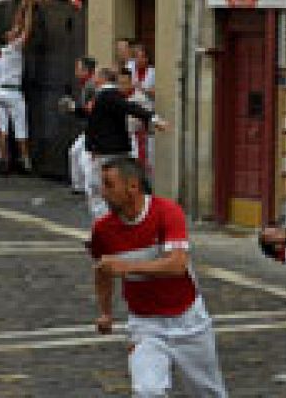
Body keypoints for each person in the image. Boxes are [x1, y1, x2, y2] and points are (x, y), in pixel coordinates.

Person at [90, 157, 227, 397]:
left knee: (208, 392)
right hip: (145, 325)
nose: (102, 192)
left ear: (132, 186)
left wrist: (127, 267)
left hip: (189, 320)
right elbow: (103, 271)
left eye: (109, 185)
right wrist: (105, 312)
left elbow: (177, 265)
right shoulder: (103, 229)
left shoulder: (167, 212)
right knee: (147, 391)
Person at [79, 67, 167, 220]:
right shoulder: (107, 96)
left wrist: (153, 118)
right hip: (112, 150)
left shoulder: (107, 95)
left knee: (98, 188)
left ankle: (105, 222)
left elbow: (129, 108)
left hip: (107, 152)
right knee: (107, 187)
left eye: (97, 76)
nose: (94, 79)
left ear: (102, 78)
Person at [0, 0, 34, 172]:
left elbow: (17, 25)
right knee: (20, 125)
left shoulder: (3, 52)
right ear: (9, 38)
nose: (15, 31)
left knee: (3, 128)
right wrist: (30, 9)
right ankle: (25, 160)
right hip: (13, 92)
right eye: (12, 32)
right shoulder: (14, 48)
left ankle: (4, 160)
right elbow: (26, 31)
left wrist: (22, 6)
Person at [68, 56, 97, 194]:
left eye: (79, 69)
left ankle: (89, 189)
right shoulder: (86, 83)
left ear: (86, 70)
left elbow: (89, 110)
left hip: (95, 130)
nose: (76, 72)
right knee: (74, 152)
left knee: (85, 159)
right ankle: (78, 186)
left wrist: (74, 107)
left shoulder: (92, 85)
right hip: (89, 129)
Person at [118, 68, 153, 174]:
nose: (122, 86)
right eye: (120, 83)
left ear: (130, 82)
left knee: (138, 170)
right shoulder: (116, 98)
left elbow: (148, 118)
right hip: (121, 139)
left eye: (124, 83)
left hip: (137, 138)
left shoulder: (140, 98)